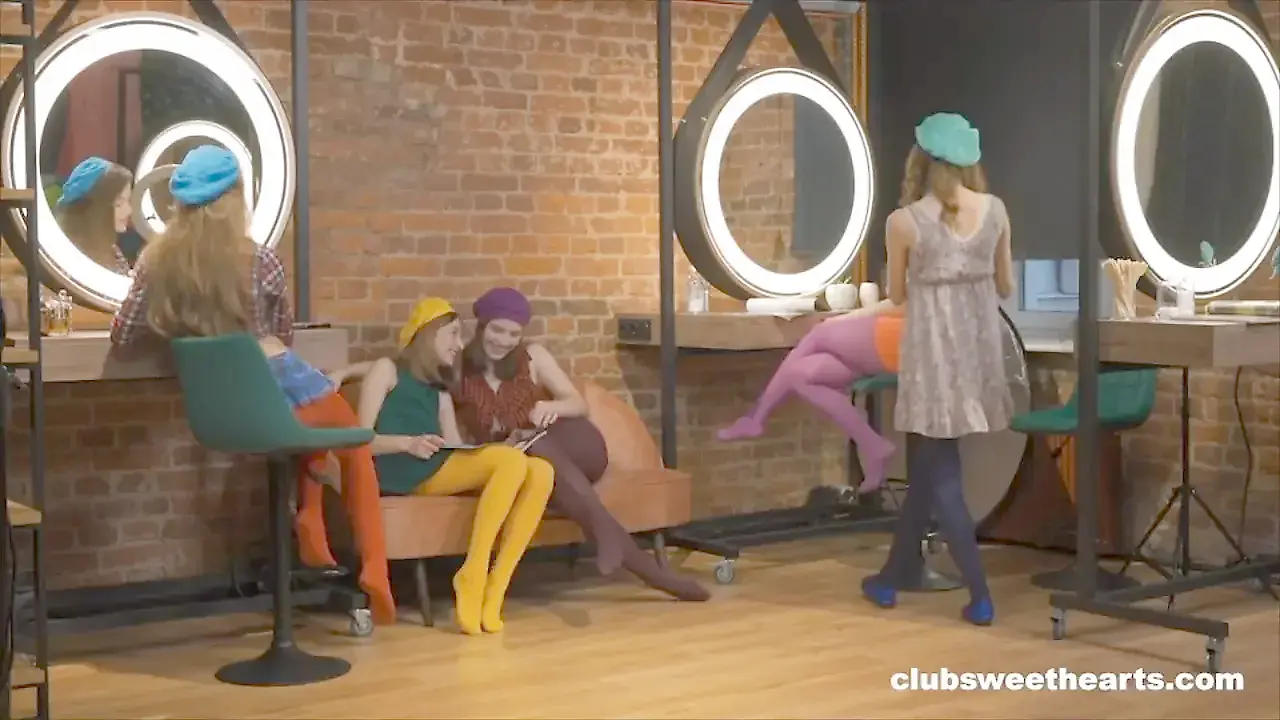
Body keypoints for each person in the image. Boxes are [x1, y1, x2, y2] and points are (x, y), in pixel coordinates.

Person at [108, 145, 396, 627]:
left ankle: (309, 517)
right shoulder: (261, 262)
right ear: (234, 199)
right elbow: (283, 337)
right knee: (352, 439)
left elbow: (122, 337)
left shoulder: (155, 262)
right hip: (278, 394)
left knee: (308, 426)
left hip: (226, 412)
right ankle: (372, 567)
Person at [332, 288, 711, 602]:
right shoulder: (457, 368)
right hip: (532, 453)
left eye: (513, 334)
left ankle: (610, 540)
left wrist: (550, 407)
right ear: (481, 327)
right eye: (497, 331)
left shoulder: (534, 357)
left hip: (576, 442)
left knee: (538, 447)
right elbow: (404, 367)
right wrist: (347, 371)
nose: (504, 340)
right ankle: (646, 566)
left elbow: (578, 405)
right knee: (535, 456)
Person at [859, 113, 1014, 627]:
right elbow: (1006, 286)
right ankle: (892, 576)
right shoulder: (996, 211)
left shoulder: (904, 222)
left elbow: (897, 295)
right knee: (929, 467)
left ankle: (980, 593)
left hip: (932, 358)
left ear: (920, 162)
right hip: (978, 352)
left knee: (942, 473)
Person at [353, 297, 555, 635]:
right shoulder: (386, 370)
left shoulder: (439, 389)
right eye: (453, 335)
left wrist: (495, 450)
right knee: (509, 462)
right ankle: (472, 573)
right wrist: (407, 443)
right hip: (402, 471)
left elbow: (453, 445)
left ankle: (496, 587)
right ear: (428, 334)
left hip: (438, 465)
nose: (459, 344)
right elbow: (360, 439)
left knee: (541, 471)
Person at [717, 294, 904, 495]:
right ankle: (873, 445)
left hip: (906, 338)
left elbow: (902, 301)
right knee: (799, 374)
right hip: (900, 342)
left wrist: (846, 319)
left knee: (819, 333)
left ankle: (756, 417)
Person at [54, 156, 135, 273]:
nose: (129, 210)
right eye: (119, 204)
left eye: (128, 201)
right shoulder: (74, 258)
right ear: (95, 210)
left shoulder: (112, 250)